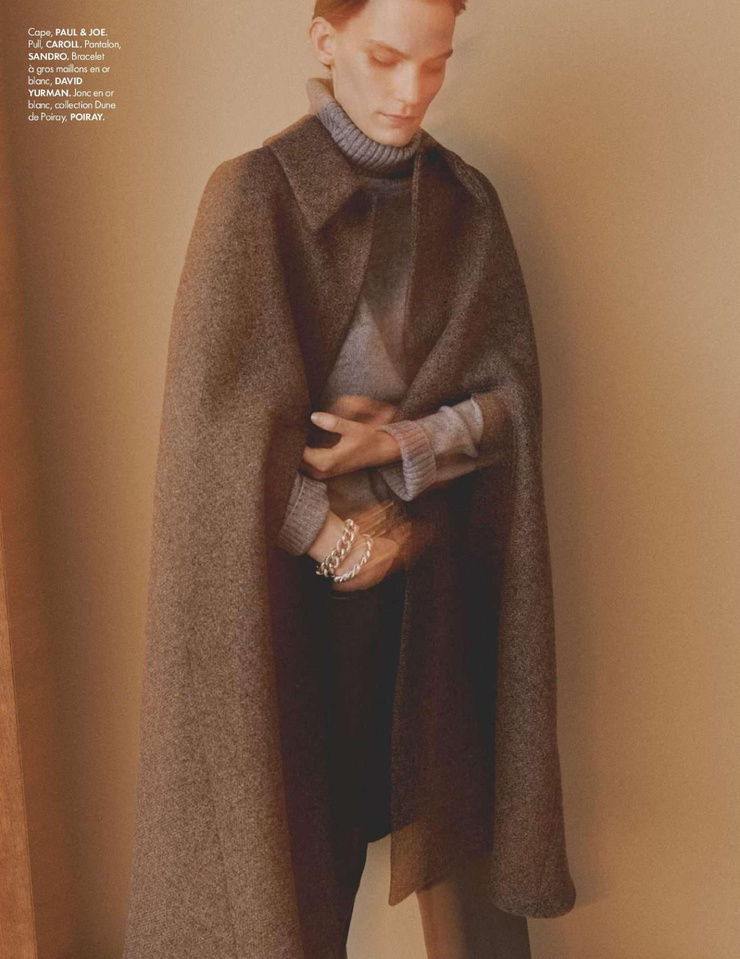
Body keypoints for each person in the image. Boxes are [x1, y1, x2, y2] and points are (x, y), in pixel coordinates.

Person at [122, 1, 577, 956]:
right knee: (282, 892)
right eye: (385, 57)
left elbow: (510, 406)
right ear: (326, 42)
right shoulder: (254, 198)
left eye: (435, 63)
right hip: (289, 618)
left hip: (438, 600)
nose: (412, 91)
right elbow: (214, 441)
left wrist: (399, 443)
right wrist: (332, 540)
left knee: (474, 891)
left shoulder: (467, 205)